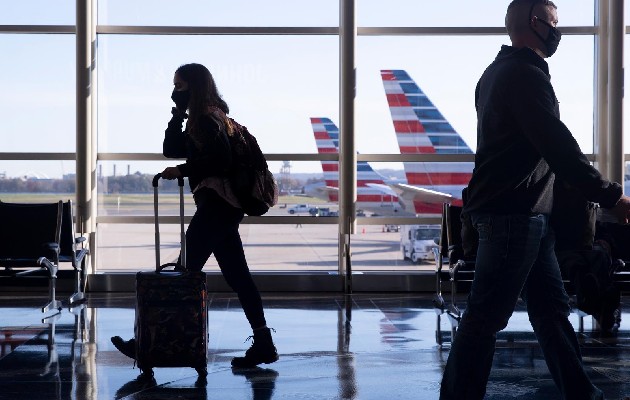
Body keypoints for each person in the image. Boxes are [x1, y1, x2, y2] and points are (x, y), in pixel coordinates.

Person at [439, 1, 630, 399]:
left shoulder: (495, 73)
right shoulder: (524, 75)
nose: (558, 31)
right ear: (534, 22)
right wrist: (613, 197)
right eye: (554, 23)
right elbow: (559, 147)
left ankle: (582, 393)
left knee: (551, 314)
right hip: (514, 215)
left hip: (527, 216)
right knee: (484, 319)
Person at [111, 63, 278, 369]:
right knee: (238, 277)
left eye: (179, 85)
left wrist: (184, 170)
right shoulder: (209, 116)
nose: (174, 90)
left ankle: (148, 343)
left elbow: (221, 160)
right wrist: (177, 113)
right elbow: (170, 148)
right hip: (224, 208)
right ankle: (264, 342)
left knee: (184, 273)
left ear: (193, 86)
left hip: (217, 206)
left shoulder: (207, 118)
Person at [552, 180, 621, 334]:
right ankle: (601, 302)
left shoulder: (554, 199)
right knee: (595, 262)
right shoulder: (589, 203)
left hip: (567, 249)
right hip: (583, 249)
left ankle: (590, 299)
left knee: (576, 265)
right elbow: (600, 228)